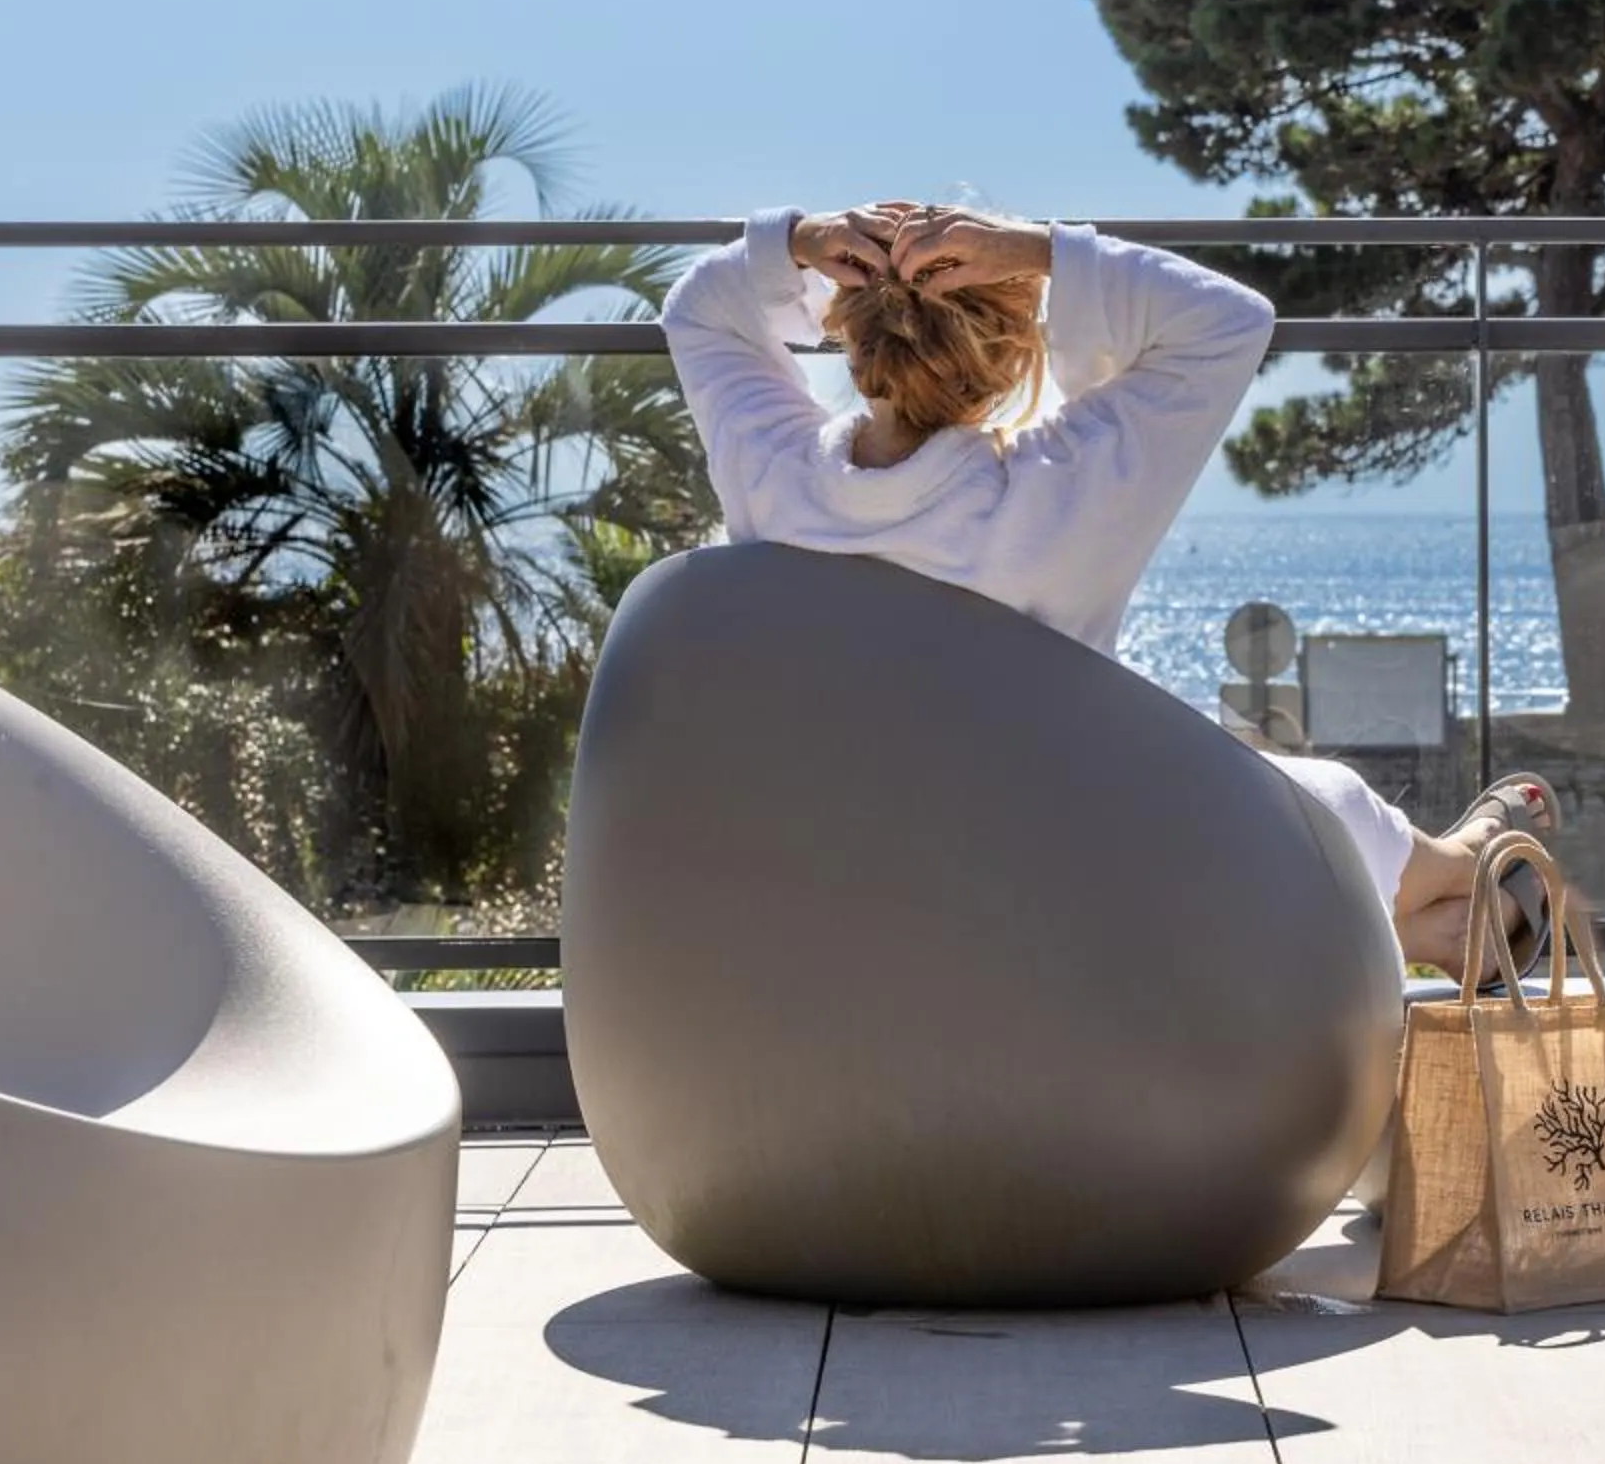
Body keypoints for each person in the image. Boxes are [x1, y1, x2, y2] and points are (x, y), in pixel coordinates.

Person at [658, 199, 1556, 980]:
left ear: (849, 334)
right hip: (1057, 899)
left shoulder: (771, 477)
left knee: (1264, 794)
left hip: (842, 879)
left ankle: (1449, 927)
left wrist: (799, 242)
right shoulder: (1053, 492)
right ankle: (1466, 866)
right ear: (1011, 355)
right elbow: (1229, 320)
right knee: (1307, 801)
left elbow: (696, 309)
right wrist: (1039, 251)